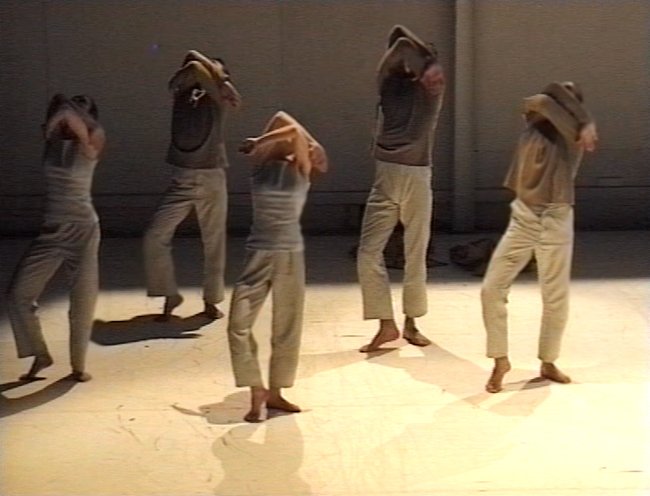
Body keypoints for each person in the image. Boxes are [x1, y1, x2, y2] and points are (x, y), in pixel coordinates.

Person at [481, 81, 598, 393]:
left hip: (554, 218)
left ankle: (548, 360)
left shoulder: (572, 134)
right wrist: (586, 118)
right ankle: (500, 360)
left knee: (555, 296)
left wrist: (582, 121)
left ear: (570, 110)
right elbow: (540, 98)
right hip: (523, 215)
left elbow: (547, 101)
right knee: (492, 289)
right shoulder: (533, 124)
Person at [227, 111, 327, 422]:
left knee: (287, 327)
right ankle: (256, 388)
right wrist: (262, 142)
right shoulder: (260, 166)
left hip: (290, 256)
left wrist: (267, 140)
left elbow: (293, 129)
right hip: (258, 254)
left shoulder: (301, 169)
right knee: (237, 325)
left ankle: (276, 392)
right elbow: (282, 119)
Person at [357, 25, 445, 352]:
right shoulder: (388, 83)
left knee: (415, 253)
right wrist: (411, 50)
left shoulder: (431, 88)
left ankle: (411, 322)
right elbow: (398, 35)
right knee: (368, 253)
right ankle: (386, 324)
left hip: (416, 176)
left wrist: (427, 60)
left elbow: (408, 45)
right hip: (385, 176)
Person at [6, 93, 106, 382]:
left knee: (82, 301)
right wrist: (66, 110)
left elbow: (66, 112)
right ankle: (40, 354)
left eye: (81, 107)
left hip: (83, 230)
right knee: (18, 295)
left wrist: (71, 111)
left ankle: (78, 366)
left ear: (89, 117)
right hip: (51, 231)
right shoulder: (52, 138)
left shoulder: (93, 140)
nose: (71, 111)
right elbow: (59, 106)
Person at [143, 50, 241, 321]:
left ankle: (211, 301)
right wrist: (217, 75)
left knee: (213, 242)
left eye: (215, 70)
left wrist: (220, 79)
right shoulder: (182, 92)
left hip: (211, 177)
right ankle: (169, 294)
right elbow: (193, 60)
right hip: (182, 178)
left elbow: (198, 66)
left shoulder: (217, 97)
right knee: (155, 236)